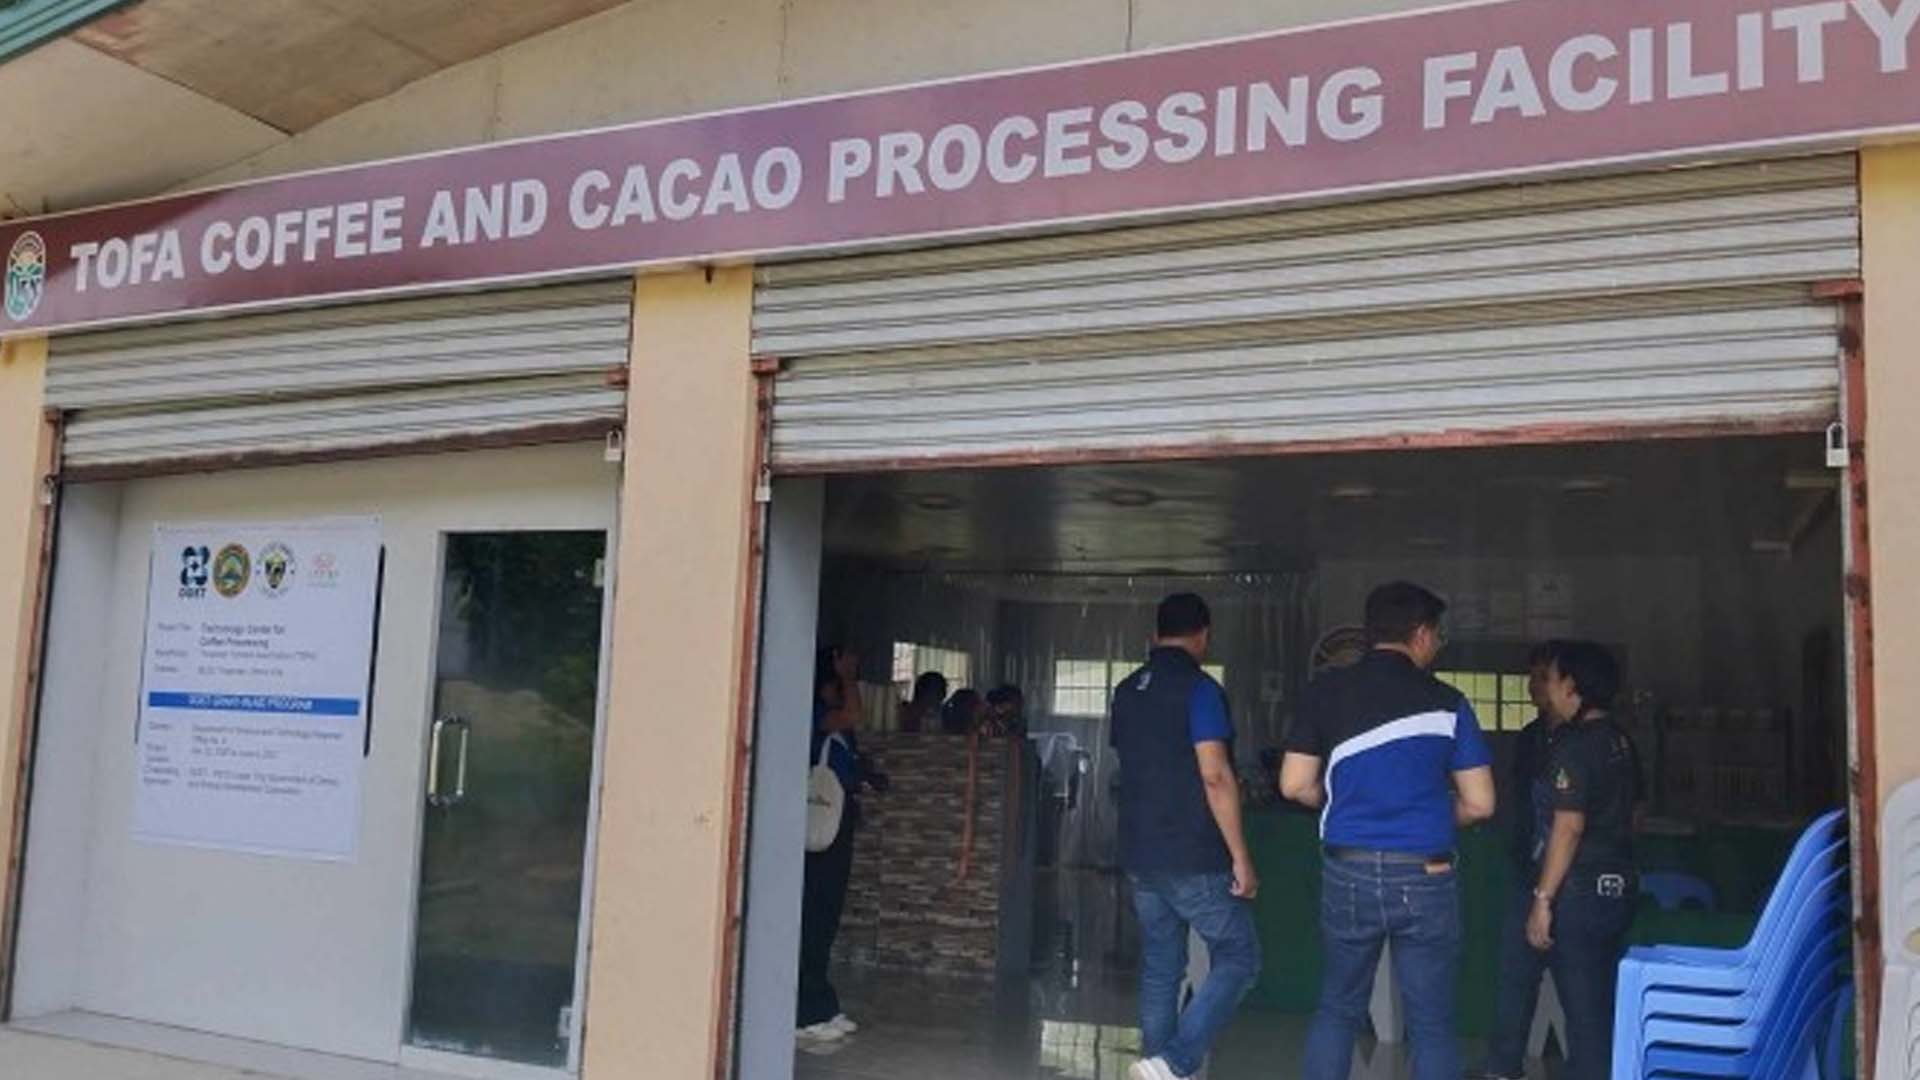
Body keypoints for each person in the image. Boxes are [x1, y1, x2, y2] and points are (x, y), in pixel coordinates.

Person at [1279, 581, 1496, 1080]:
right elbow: (1481, 802)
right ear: (1420, 634)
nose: (1437, 645)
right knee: (1432, 1023)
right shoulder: (1448, 702)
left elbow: (1293, 784)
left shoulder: (1325, 692)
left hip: (1348, 867)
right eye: (1437, 635)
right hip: (1427, 873)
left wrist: (1345, 802)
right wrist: (1435, 814)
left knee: (1338, 1008)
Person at [1111, 593, 1262, 1080]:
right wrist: (1240, 856)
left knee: (1162, 962)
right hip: (1192, 851)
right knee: (1239, 956)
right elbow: (1214, 775)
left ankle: (1157, 1065)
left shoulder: (1126, 690)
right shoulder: (1200, 690)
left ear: (1155, 635)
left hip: (1140, 849)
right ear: (1203, 636)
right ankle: (1175, 1062)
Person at [1517, 640, 1640, 1080]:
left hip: (1581, 890)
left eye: (1551, 680)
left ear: (1572, 685)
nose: (1547, 690)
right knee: (1603, 1005)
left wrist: (1543, 899)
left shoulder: (1574, 748)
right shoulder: (1621, 742)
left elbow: (1567, 827)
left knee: (1584, 1014)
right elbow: (1634, 814)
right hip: (1619, 885)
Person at [1477, 642, 1570, 1080]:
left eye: (1544, 677)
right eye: (1531, 677)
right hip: (1527, 872)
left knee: (1581, 986)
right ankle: (1502, 1067)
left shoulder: (1593, 740)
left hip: (1576, 879)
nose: (1534, 686)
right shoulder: (1531, 736)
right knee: (1515, 975)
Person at [797, 645, 883, 1044]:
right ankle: (805, 1011)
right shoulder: (813, 714)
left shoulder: (838, 728)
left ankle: (821, 1004)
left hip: (837, 828)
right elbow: (853, 714)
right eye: (838, 683)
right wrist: (849, 676)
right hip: (815, 832)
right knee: (812, 918)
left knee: (827, 918)